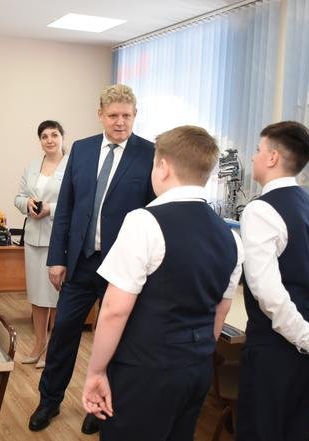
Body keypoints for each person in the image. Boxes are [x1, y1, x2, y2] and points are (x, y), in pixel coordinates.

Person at [81, 126, 244, 440]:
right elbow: (219, 312)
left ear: (164, 167)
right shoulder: (232, 238)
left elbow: (114, 309)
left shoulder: (144, 222)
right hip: (197, 369)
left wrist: (96, 371)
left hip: (145, 371)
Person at [28, 84, 156, 434]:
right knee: (63, 334)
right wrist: (57, 258)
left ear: (135, 115)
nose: (120, 122)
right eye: (113, 115)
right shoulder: (82, 150)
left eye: (126, 115)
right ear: (100, 115)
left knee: (114, 340)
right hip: (81, 263)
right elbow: (66, 208)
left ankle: (99, 408)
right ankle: (49, 401)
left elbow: (153, 214)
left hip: (124, 269)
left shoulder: (149, 154)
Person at [235, 121, 309, 441]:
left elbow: (267, 292)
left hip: (278, 352)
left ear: (272, 157)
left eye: (258, 150)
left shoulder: (260, 210)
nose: (253, 157)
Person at [14, 120, 69, 369]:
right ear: (40, 141)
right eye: (45, 136)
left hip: (58, 239)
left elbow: (76, 202)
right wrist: (27, 204)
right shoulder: (32, 166)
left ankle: (53, 351)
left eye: (54, 135)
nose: (50, 140)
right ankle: (39, 345)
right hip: (33, 238)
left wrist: (50, 209)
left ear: (62, 137)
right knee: (37, 296)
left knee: (56, 297)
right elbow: (19, 197)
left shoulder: (72, 165)